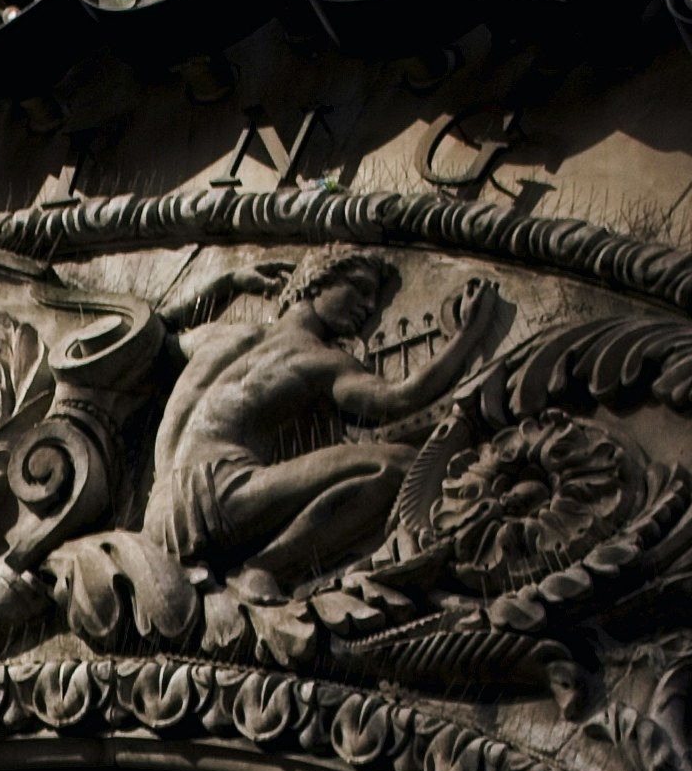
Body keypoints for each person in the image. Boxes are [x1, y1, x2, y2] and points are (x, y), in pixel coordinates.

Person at [144, 250, 503, 596]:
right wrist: (468, 334)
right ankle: (264, 568)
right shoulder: (318, 360)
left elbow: (152, 336)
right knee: (398, 466)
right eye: (359, 288)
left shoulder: (216, 336)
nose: (366, 307)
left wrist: (229, 281)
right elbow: (399, 399)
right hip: (221, 496)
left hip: (159, 516)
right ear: (316, 282)